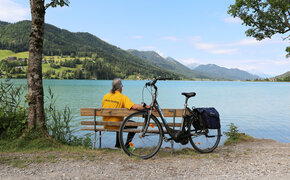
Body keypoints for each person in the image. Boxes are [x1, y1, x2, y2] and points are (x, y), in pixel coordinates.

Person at [102, 78, 150, 149]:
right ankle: (127, 146)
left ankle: (118, 145)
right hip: (117, 125)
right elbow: (135, 107)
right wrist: (147, 106)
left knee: (119, 121)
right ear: (120, 87)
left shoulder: (105, 96)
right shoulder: (123, 98)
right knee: (133, 125)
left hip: (106, 124)